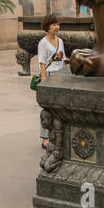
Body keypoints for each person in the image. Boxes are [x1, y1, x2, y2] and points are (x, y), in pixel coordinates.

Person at [37, 14, 67, 148]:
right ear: (47, 27)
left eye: (58, 24)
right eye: (54, 24)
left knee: (61, 108)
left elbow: (63, 61)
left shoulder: (60, 41)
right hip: (49, 76)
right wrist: (44, 82)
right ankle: (45, 138)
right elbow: (42, 63)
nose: (57, 27)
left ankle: (60, 135)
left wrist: (66, 77)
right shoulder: (43, 43)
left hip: (60, 77)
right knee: (47, 109)